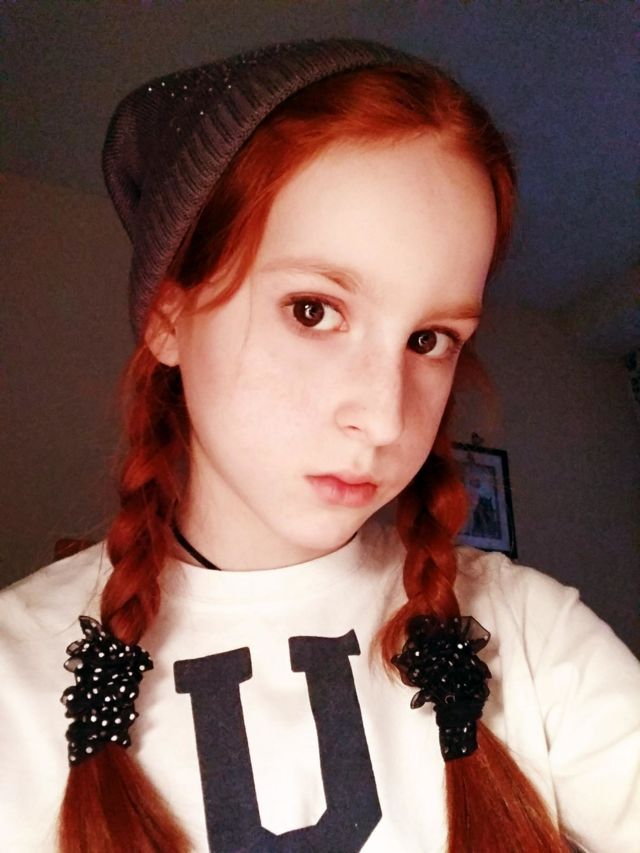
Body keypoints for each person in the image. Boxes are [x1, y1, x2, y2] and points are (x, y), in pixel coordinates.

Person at [1, 38, 638, 853]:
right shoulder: (15, 679)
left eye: (429, 338)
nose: (383, 417)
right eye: (313, 310)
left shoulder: (529, 635)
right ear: (168, 314)